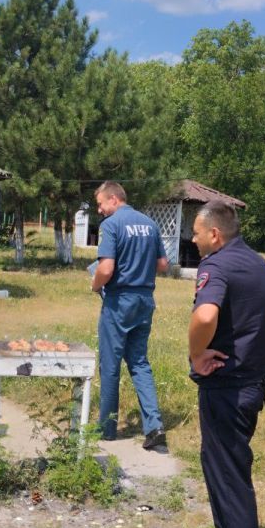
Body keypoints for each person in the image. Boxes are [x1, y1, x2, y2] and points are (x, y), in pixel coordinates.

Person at [187, 200, 265, 528]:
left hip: (228, 391)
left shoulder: (216, 265)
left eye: (197, 232)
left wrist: (198, 354)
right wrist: (257, 340)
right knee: (220, 471)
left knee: (231, 481)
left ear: (214, 234)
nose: (193, 239)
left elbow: (204, 316)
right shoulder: (257, 263)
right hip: (248, 386)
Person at [90, 180, 169, 449]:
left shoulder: (110, 225)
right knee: (139, 362)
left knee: (110, 365)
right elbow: (163, 264)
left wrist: (95, 284)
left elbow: (106, 269)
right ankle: (154, 426)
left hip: (119, 301)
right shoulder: (150, 223)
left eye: (100, 204)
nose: (99, 210)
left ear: (114, 199)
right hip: (145, 299)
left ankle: (107, 429)